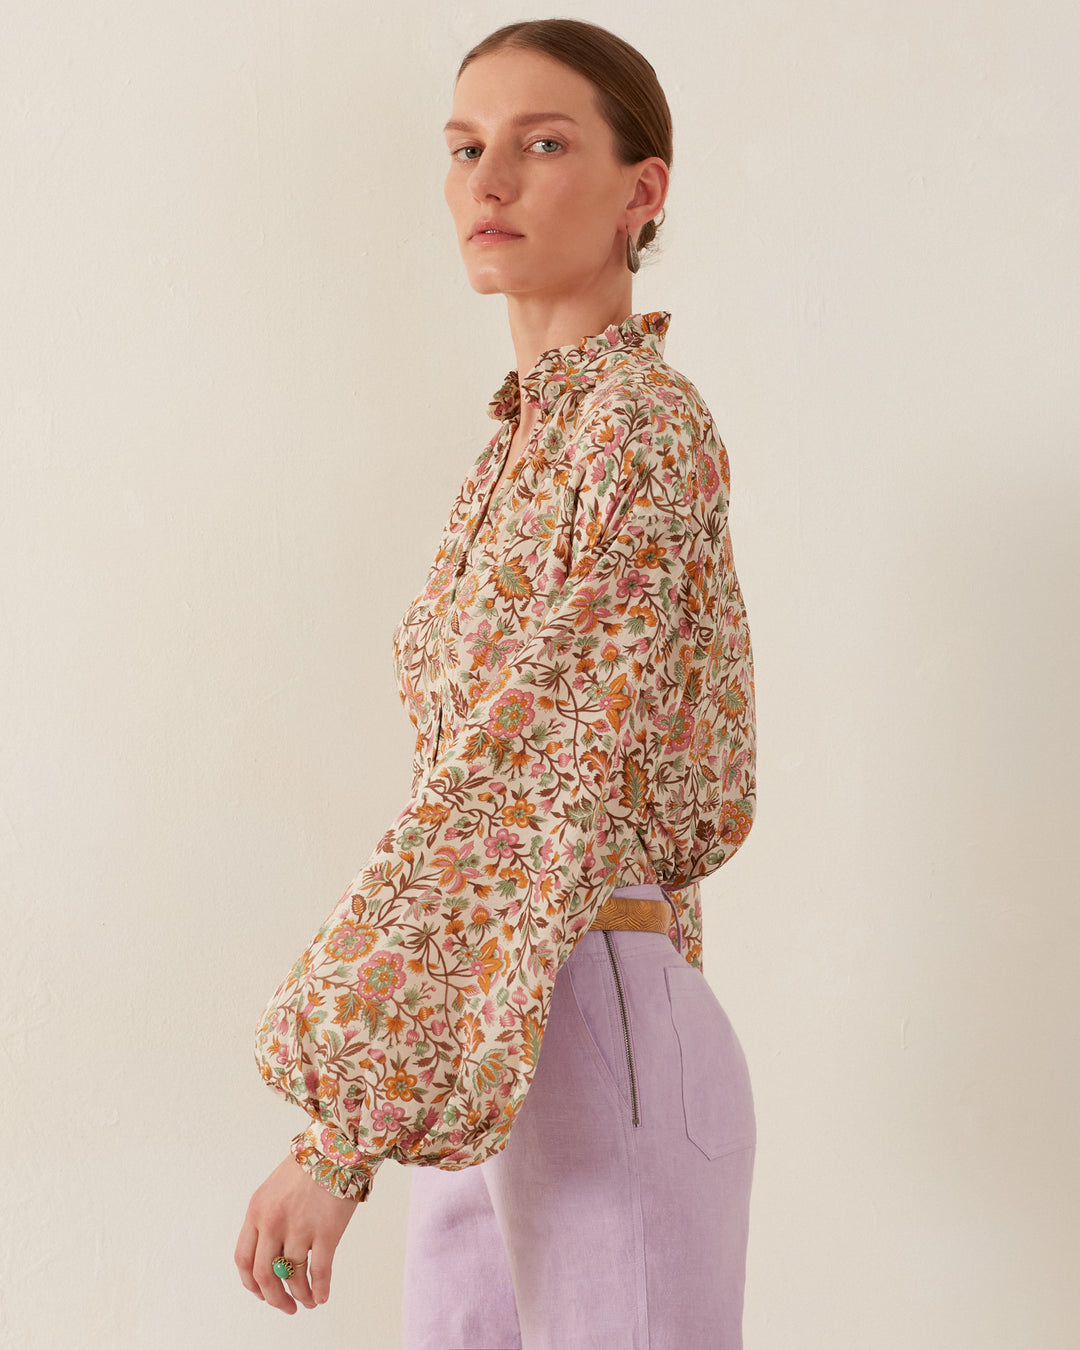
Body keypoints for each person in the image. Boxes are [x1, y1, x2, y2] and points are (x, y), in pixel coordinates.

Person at [235, 18, 758, 1347]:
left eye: (542, 143)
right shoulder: (519, 452)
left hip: (581, 1010)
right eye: (468, 148)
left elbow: (532, 770)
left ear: (643, 190)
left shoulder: (641, 425)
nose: (490, 181)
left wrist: (346, 1131)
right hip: (501, 1018)